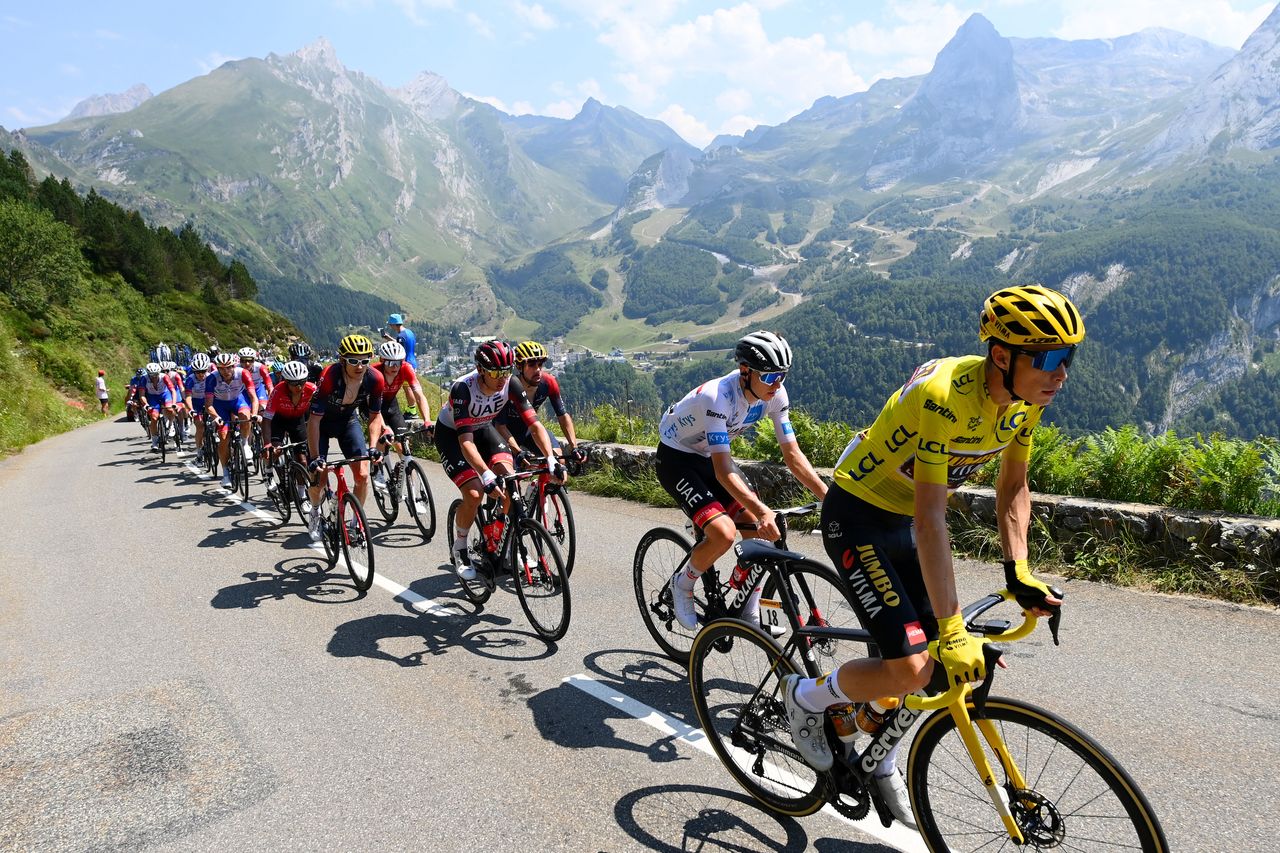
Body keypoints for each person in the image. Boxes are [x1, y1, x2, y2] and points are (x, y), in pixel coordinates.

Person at [780, 284, 1081, 830]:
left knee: (937, 674)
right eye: (1050, 359)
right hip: (861, 516)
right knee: (916, 663)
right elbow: (931, 518)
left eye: (1069, 358)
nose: (1062, 374)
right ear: (1002, 356)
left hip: (906, 523)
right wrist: (951, 626)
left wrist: (1019, 571)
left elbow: (1013, 485)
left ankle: (878, 757)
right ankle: (807, 697)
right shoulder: (947, 395)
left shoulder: (1023, 402)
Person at [656, 330, 828, 631]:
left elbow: (793, 455)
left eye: (782, 376)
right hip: (677, 458)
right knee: (723, 533)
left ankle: (749, 611)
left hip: (708, 455)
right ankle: (682, 585)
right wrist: (763, 511)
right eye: (770, 377)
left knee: (759, 536)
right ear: (745, 372)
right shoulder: (717, 397)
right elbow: (723, 471)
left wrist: (830, 497)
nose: (776, 384)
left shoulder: (775, 396)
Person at [434, 340, 561, 580]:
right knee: (474, 494)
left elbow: (534, 424)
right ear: (481, 370)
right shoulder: (463, 388)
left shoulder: (510, 383)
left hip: (484, 430)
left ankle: (501, 533)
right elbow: (466, 442)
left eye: (507, 371)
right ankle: (460, 547)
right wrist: (485, 474)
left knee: (510, 481)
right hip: (454, 436)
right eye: (495, 373)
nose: (502, 378)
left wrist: (551, 458)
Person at [306, 335, 386, 540]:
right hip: (322, 424)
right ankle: (315, 510)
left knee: (362, 475)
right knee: (318, 479)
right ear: (342, 360)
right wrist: (315, 457)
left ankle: (355, 521)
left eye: (364, 361)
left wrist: (373, 445)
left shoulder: (375, 378)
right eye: (353, 360)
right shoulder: (330, 376)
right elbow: (313, 421)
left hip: (347, 422)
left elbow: (375, 415)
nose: (359, 366)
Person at [496, 340, 586, 470]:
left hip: (529, 430)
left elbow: (562, 416)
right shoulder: (508, 387)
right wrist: (517, 451)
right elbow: (500, 426)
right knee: (510, 474)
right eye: (531, 365)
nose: (537, 370)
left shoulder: (548, 382)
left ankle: (543, 488)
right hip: (505, 435)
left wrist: (574, 447)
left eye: (540, 364)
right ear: (520, 367)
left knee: (559, 462)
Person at [369, 340, 434, 493]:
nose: (395, 367)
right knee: (381, 436)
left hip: (391, 404)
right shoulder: (373, 373)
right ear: (382, 361)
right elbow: (375, 410)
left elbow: (419, 396)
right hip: (372, 407)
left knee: (403, 442)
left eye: (398, 362)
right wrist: (384, 428)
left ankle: (411, 488)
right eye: (390, 363)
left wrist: (427, 420)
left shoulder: (406, 369)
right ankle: (377, 470)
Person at [204, 352, 259, 489]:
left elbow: (253, 398)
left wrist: (254, 414)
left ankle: (245, 444)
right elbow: (208, 405)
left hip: (237, 400)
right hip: (220, 405)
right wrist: (216, 417)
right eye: (221, 368)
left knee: (246, 416)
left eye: (228, 367)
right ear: (217, 368)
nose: (226, 371)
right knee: (223, 437)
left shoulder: (243, 373)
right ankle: (226, 474)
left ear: (233, 365)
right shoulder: (212, 378)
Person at [261, 361, 316, 496]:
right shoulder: (278, 391)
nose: (298, 386)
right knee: (276, 450)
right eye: (293, 383)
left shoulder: (312, 389)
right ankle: (268, 471)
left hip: (297, 420)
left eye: (302, 382)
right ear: (286, 382)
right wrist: (267, 443)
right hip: (278, 420)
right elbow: (267, 419)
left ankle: (302, 494)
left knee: (302, 460)